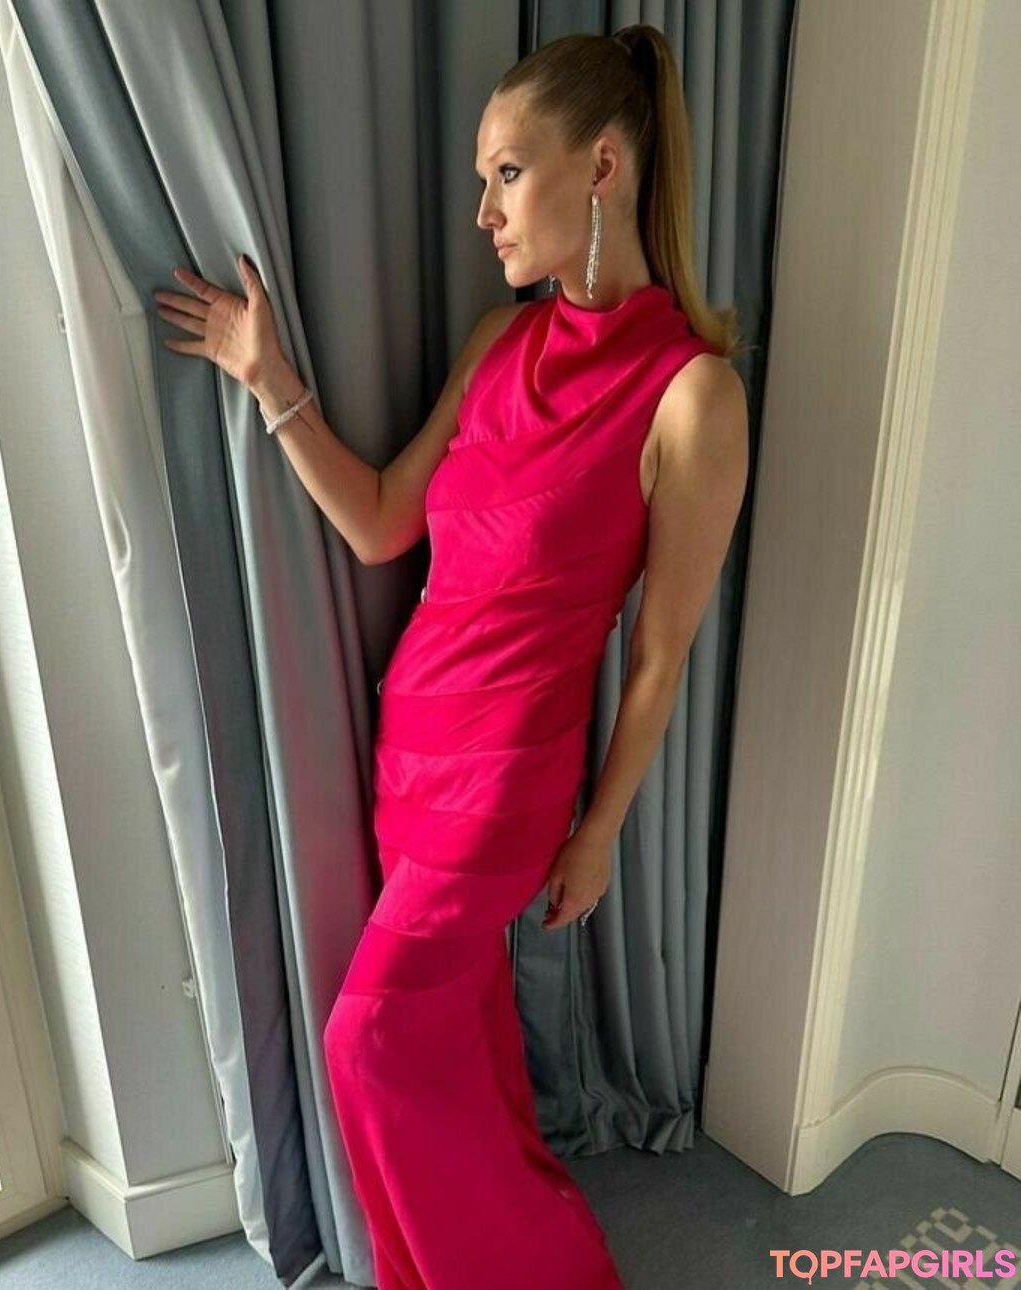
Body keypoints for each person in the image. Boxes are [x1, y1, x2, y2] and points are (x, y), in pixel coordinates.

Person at [154, 24, 747, 1289]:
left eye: (507, 175)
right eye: (482, 180)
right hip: (410, 749)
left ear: (602, 166)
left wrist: (598, 831)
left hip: (506, 785)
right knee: (462, 1054)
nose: (482, 212)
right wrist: (268, 380)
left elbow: (660, 656)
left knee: (367, 1045)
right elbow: (381, 524)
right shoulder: (498, 344)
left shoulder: (693, 397)